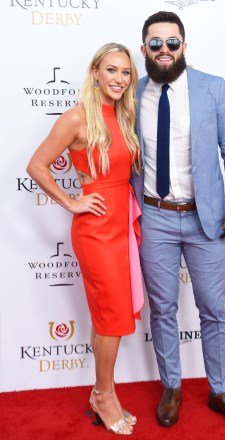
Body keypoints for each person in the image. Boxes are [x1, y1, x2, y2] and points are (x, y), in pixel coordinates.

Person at [131, 11, 225, 430]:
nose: (163, 50)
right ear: (144, 47)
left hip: (208, 220)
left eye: (172, 42)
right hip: (155, 218)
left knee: (212, 309)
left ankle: (219, 390)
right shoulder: (132, 94)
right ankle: (172, 387)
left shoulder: (212, 88)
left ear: (184, 46)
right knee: (163, 308)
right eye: (155, 43)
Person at [27, 43, 143, 436]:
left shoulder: (125, 115)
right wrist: (71, 202)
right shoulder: (77, 117)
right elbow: (36, 165)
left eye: (125, 72)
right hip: (95, 230)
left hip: (122, 224)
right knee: (111, 318)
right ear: (95, 72)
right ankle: (105, 395)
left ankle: (102, 390)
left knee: (107, 317)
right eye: (111, 70)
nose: (118, 79)